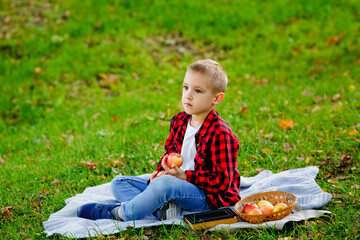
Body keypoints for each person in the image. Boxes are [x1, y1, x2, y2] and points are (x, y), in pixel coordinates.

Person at [77, 59, 241, 221]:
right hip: (177, 183)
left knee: (164, 186)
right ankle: (160, 211)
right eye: (186, 87)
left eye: (198, 91)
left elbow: (222, 182)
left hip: (208, 197)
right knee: (119, 182)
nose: (188, 96)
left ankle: (119, 213)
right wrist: (157, 173)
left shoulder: (220, 133)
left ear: (217, 98)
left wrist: (185, 176)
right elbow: (170, 154)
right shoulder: (180, 121)